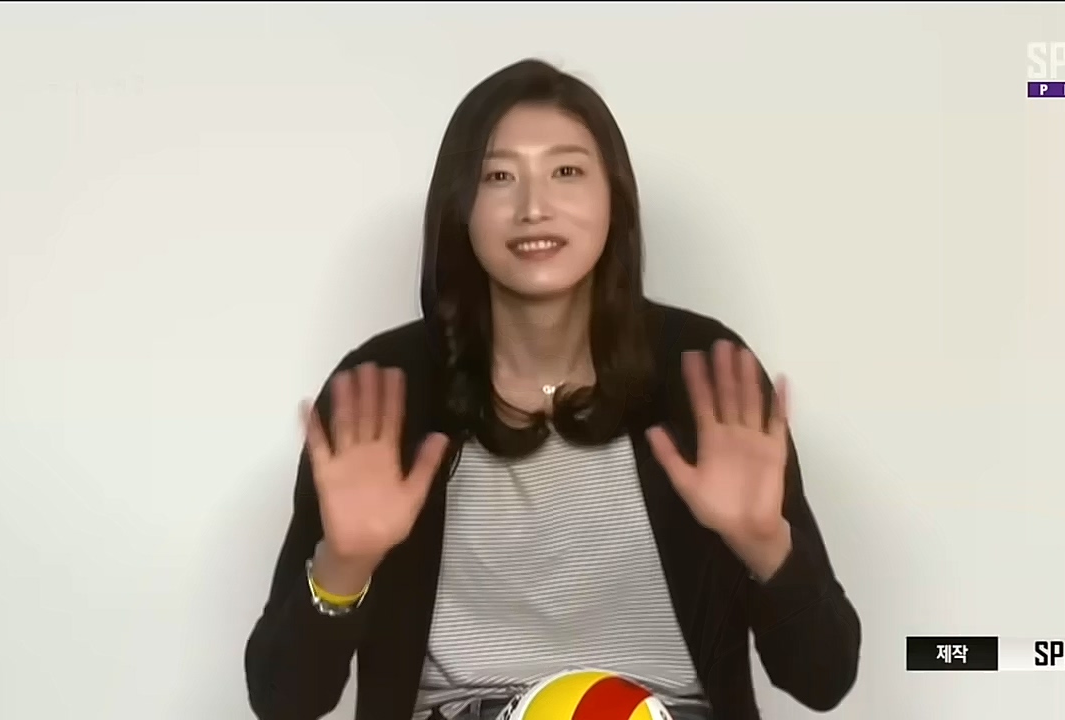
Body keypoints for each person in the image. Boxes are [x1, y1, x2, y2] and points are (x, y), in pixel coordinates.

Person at [243, 58, 861, 720]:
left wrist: (765, 543)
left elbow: (823, 678)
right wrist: (344, 566)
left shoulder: (702, 373)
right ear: (460, 207)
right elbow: (284, 701)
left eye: (566, 172)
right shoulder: (386, 390)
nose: (533, 207)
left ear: (614, 197)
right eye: (498, 177)